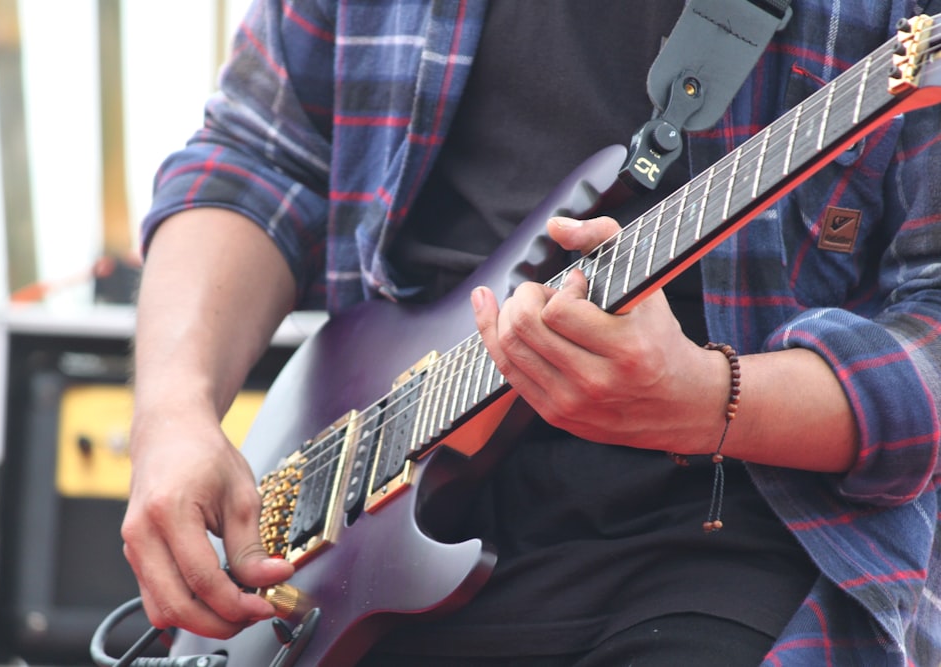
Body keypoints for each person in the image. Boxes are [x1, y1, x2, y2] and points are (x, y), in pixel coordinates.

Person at [120, 0, 941, 664]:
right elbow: (258, 156)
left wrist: (711, 399)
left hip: (726, 551)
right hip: (356, 540)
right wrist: (172, 415)